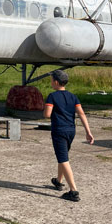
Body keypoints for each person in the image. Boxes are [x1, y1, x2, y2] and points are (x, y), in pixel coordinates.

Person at [43, 70, 94, 202]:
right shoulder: (73, 97)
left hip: (59, 130)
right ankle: (58, 181)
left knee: (64, 159)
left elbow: (47, 115)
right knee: (63, 156)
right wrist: (88, 132)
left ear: (55, 82)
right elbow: (82, 114)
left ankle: (73, 191)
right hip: (71, 130)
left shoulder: (52, 96)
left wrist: (47, 109)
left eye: (51, 80)